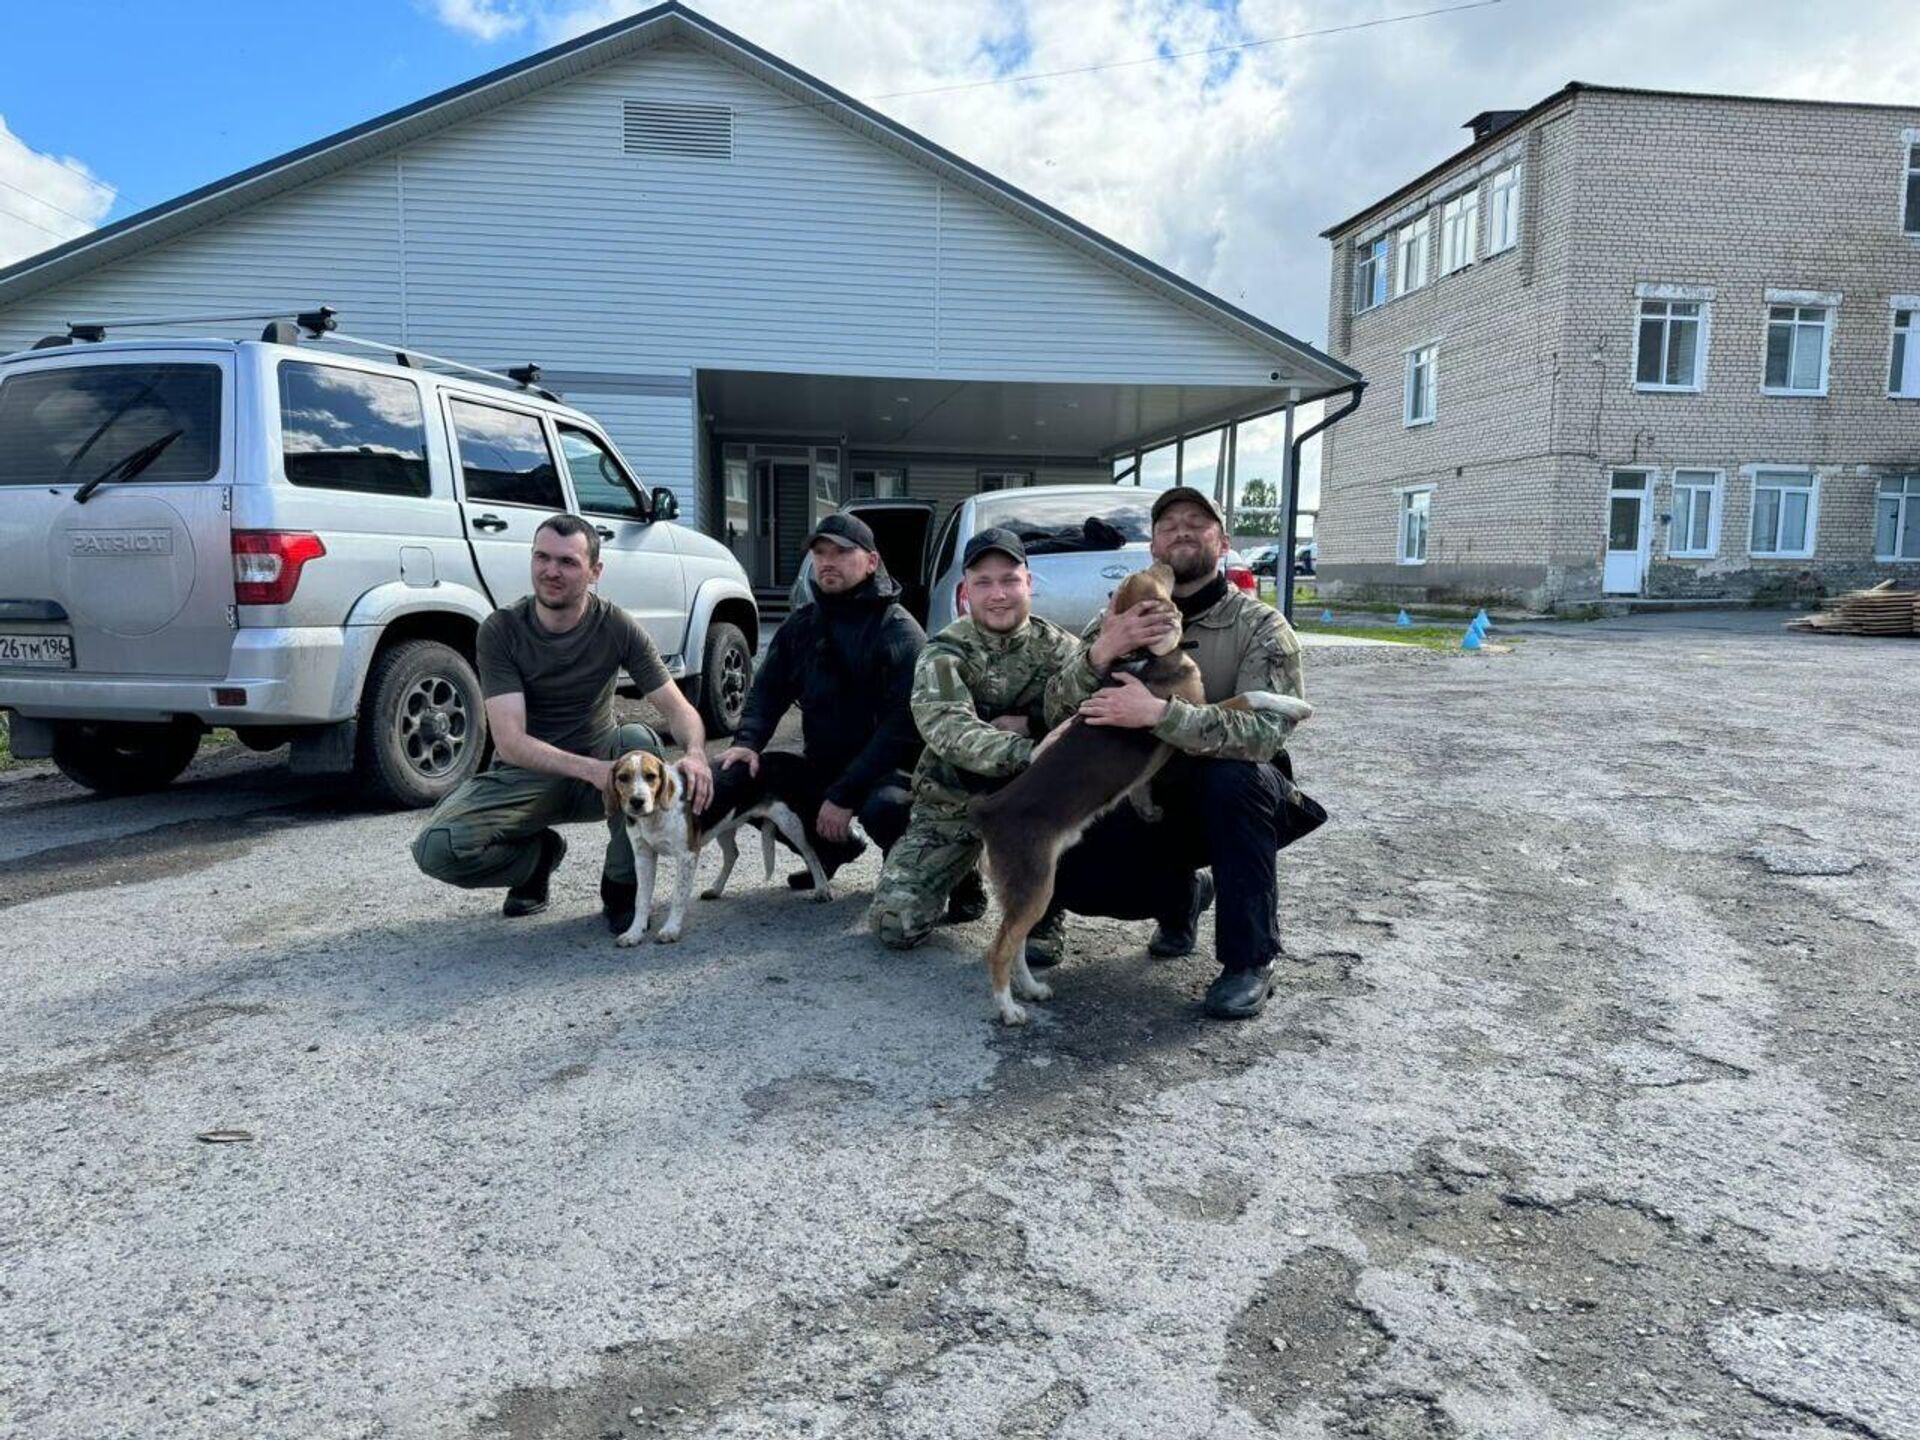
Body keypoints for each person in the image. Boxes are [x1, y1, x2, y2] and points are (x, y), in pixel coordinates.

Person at [1045, 486, 1317, 1020]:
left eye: (1199, 521)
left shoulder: (1260, 625)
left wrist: (1159, 715)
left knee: (1238, 782)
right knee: (1077, 875)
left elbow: (1266, 734)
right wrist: (1101, 651)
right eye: (1169, 524)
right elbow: (1055, 710)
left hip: (1220, 800)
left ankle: (1249, 961)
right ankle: (1183, 899)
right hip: (1139, 795)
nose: (1183, 531)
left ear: (1224, 541)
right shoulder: (1117, 621)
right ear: (1153, 546)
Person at [411, 513, 714, 932]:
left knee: (636, 739)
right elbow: (511, 741)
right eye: (542, 557)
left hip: (605, 771)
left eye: (568, 562)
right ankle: (535, 863)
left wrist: (696, 753)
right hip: (527, 776)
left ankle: (621, 887)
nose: (551, 571)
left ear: (595, 571)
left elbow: (677, 708)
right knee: (436, 849)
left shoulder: (616, 625)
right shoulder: (500, 630)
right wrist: (591, 771)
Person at [868, 528, 1081, 957]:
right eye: (983, 582)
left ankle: (1048, 912)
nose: (998, 594)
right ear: (966, 591)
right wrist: (1029, 750)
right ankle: (963, 872)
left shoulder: (1064, 651)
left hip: (1033, 810)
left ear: (1029, 584)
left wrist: (1033, 722)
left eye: (1009, 580)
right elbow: (948, 728)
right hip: (953, 803)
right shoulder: (944, 651)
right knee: (894, 924)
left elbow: (1086, 719)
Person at [710, 513, 927, 888]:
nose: (827, 561)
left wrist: (844, 794)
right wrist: (746, 743)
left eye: (841, 552)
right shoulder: (802, 625)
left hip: (888, 772)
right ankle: (829, 851)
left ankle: (915, 873)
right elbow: (767, 692)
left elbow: (901, 729)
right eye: (820, 552)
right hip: (824, 765)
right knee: (744, 775)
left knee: (886, 809)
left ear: (872, 561)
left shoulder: (900, 632)